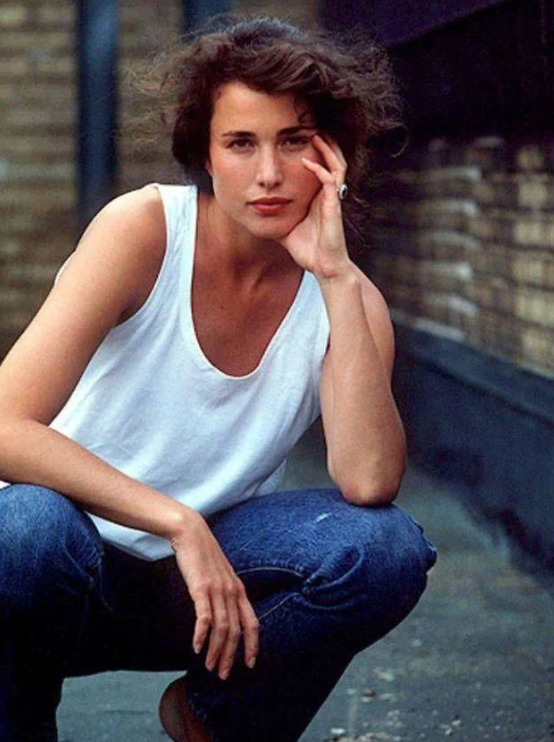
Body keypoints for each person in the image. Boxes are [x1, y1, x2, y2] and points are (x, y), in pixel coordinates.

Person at [0, 16, 437, 742]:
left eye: (293, 141)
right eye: (241, 143)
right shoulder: (144, 231)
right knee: (23, 527)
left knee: (383, 550)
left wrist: (333, 276)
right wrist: (179, 521)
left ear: (331, 155)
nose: (268, 174)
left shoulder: (349, 299)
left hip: (209, 600)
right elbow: (5, 425)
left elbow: (368, 482)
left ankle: (212, 720)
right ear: (204, 152)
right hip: (59, 572)